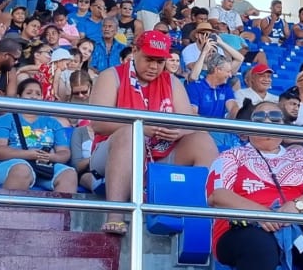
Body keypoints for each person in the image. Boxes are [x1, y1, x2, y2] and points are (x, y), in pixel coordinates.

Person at [89, 29, 218, 236]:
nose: (154, 67)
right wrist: (140, 126)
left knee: (202, 140)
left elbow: (189, 121)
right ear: (135, 51)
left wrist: (178, 131)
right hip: (113, 152)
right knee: (131, 133)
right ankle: (116, 214)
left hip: (159, 152)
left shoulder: (171, 81)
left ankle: (202, 215)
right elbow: (98, 123)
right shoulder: (111, 76)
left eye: (159, 62)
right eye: (149, 59)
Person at [205, 101, 303, 270]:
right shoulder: (231, 156)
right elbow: (217, 195)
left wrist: (294, 208)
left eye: (275, 118)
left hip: (296, 225)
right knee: (260, 245)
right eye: (259, 118)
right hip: (242, 227)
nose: (267, 122)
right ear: (248, 128)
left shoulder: (300, 155)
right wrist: (261, 214)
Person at [0, 78, 77, 192]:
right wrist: (29, 154)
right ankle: (10, 210)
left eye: (38, 94)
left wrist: (51, 157)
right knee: (22, 170)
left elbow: (64, 152)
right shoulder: (5, 119)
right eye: (29, 93)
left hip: (43, 167)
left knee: (69, 174)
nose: (34, 97)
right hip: (9, 165)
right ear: (19, 97)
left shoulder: (53, 122)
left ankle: (56, 210)